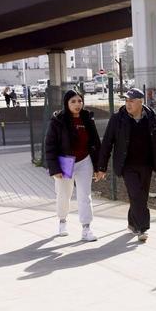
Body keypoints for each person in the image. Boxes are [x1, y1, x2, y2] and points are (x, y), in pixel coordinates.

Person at [94, 87, 156, 243]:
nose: (128, 104)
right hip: (127, 165)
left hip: (147, 165)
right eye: (126, 101)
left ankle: (132, 223)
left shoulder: (154, 119)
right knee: (136, 195)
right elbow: (107, 143)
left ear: (141, 102)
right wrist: (101, 167)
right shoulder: (117, 119)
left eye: (132, 101)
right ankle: (143, 228)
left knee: (140, 196)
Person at [44, 90, 102, 241]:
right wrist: (54, 168)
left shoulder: (87, 118)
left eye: (79, 101)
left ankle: (86, 228)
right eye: (73, 102)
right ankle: (62, 221)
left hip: (84, 161)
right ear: (66, 104)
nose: (77, 104)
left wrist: (99, 167)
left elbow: (96, 143)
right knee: (64, 194)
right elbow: (50, 145)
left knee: (85, 196)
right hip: (65, 162)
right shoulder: (58, 120)